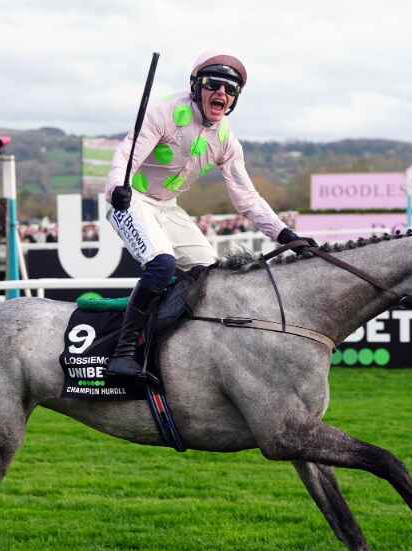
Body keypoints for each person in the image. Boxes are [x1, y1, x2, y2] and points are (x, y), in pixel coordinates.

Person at [103, 50, 311, 379]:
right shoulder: (164, 112)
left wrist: (286, 235)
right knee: (162, 264)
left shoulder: (226, 140)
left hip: (167, 207)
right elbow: (126, 153)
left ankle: (166, 345)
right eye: (214, 85)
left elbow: (247, 198)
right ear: (196, 86)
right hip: (132, 201)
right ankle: (123, 353)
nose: (222, 93)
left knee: (209, 275)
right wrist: (118, 188)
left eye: (230, 90)